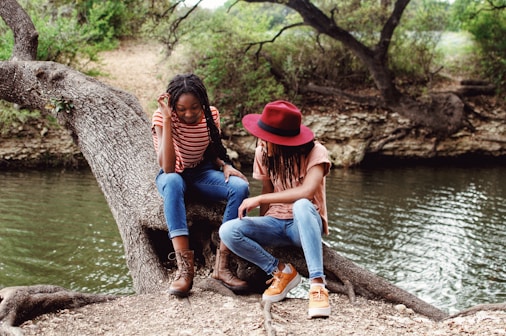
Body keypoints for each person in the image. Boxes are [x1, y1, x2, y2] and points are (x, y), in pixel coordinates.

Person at [219, 100, 331, 318]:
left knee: (301, 205)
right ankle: (282, 271)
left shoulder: (317, 152)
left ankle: (318, 286)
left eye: (267, 138)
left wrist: (259, 199)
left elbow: (307, 192)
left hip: (304, 225)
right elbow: (268, 189)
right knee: (228, 231)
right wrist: (260, 228)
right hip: (276, 225)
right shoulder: (263, 153)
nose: (261, 141)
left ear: (284, 141)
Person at [152, 73, 250, 297]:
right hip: (172, 175)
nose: (189, 114)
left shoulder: (211, 114)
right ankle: (185, 269)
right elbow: (168, 167)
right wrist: (168, 119)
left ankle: (222, 266)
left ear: (203, 103)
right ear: (173, 105)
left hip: (202, 173)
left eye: (195, 107)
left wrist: (223, 165)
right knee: (174, 181)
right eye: (182, 108)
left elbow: (211, 148)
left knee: (239, 187)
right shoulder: (161, 117)